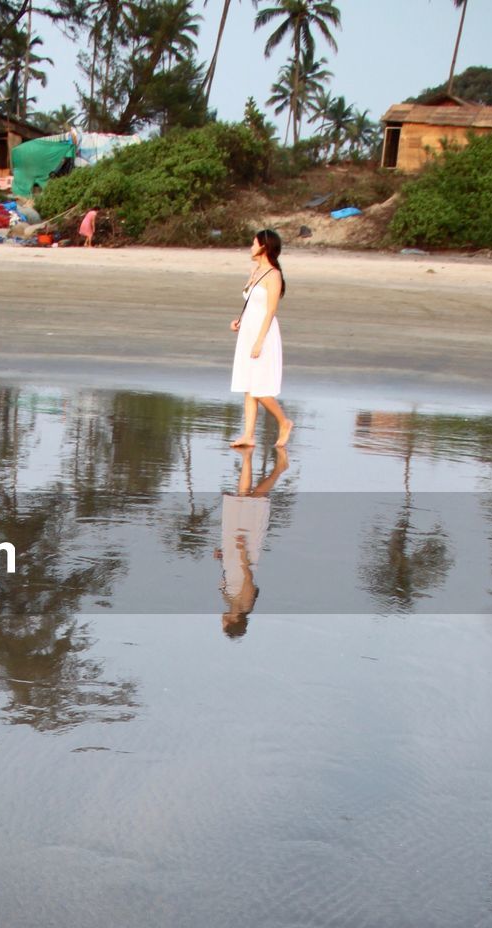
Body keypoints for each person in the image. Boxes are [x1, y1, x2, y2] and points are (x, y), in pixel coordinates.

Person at [214, 445, 289, 638]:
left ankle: (248, 458)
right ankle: (276, 468)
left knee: (242, 499)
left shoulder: (230, 602)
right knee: (253, 499)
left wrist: (221, 557)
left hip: (232, 553)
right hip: (244, 550)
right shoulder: (245, 605)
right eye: (224, 625)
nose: (221, 621)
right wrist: (242, 551)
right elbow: (247, 578)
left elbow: (227, 577)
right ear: (233, 621)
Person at [229, 229, 293, 448]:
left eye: (254, 244)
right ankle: (248, 435)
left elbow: (270, 310)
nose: (251, 247)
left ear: (264, 247)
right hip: (248, 330)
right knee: (249, 385)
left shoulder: (273, 275)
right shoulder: (255, 270)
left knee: (261, 389)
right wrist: (239, 320)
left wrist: (259, 340)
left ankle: (284, 422)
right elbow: (250, 302)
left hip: (263, 334)